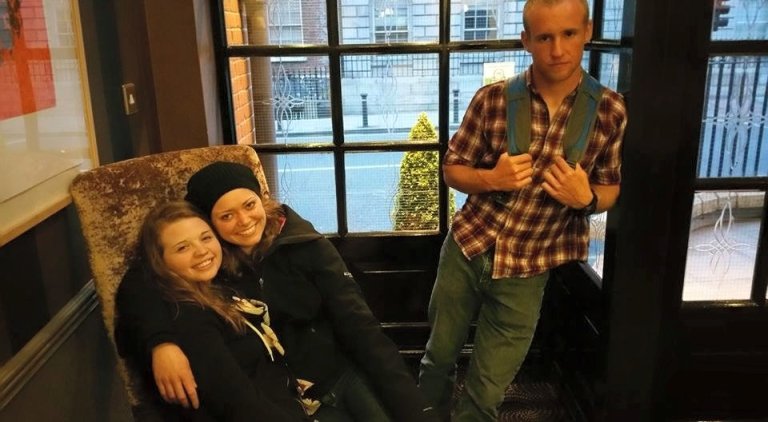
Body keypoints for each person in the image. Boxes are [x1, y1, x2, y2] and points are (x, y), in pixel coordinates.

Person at [417, 0, 628, 420]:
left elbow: (610, 188)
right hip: (467, 250)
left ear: (587, 31)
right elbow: (452, 170)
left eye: (569, 34)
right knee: (437, 360)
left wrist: (585, 198)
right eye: (545, 37)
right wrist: (491, 178)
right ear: (527, 40)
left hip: (529, 269)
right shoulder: (493, 100)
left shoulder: (609, 110)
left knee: (488, 389)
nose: (558, 49)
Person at [117, 162, 438, 422]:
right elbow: (141, 280)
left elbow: (363, 330)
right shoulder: (210, 266)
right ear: (210, 223)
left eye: (249, 205)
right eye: (226, 216)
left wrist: (418, 410)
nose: (243, 221)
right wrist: (160, 342)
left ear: (263, 199)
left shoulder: (304, 246)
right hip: (292, 398)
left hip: (339, 372)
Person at [116, 200, 308, 421]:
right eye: (182, 247)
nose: (201, 251)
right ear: (160, 263)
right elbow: (241, 405)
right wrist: (161, 343)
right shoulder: (188, 316)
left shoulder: (218, 283)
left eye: (206, 237)